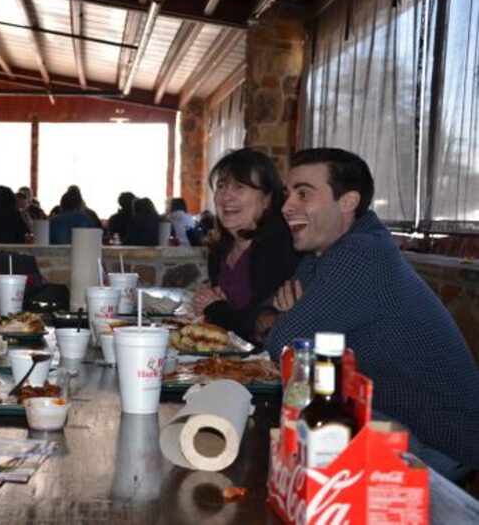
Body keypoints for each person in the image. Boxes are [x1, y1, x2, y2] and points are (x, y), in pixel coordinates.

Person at [258, 147, 479, 480]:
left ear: (348, 202)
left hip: (436, 442)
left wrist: (289, 322)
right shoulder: (325, 251)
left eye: (303, 193)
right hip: (387, 416)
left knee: (283, 452)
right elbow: (265, 317)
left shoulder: (362, 254)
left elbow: (285, 346)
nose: (287, 206)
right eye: (289, 194)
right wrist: (287, 321)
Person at [192, 149, 301, 342]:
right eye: (222, 186)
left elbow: (258, 324)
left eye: (240, 187)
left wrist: (214, 308)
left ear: (267, 199)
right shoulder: (221, 251)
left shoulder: (278, 247)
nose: (227, 196)